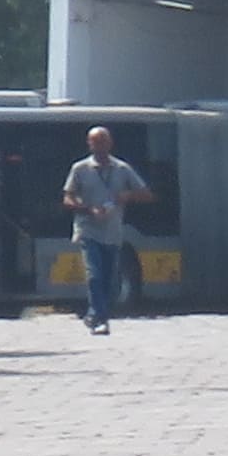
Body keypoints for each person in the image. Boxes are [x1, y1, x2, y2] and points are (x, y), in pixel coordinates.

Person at [62, 126, 153, 335]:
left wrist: (127, 196)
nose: (100, 146)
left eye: (103, 141)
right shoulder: (80, 168)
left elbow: (147, 194)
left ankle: (94, 315)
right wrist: (87, 208)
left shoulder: (122, 169)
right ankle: (101, 319)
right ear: (89, 144)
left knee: (111, 281)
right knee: (94, 275)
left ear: (110, 143)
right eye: (95, 142)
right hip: (88, 229)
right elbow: (67, 198)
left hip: (112, 232)